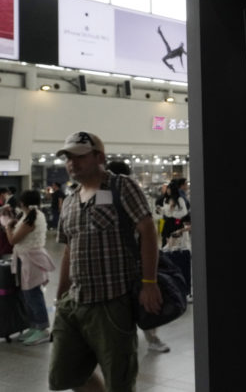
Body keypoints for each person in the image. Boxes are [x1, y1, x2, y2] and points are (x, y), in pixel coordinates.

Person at [48, 131, 162, 392]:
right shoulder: (70, 200)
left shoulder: (121, 187)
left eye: (79, 156)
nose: (72, 163)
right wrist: (60, 297)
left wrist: (149, 282)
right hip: (73, 302)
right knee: (65, 376)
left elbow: (147, 230)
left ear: (99, 157)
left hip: (111, 303)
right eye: (68, 158)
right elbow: (68, 251)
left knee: (119, 381)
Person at [107, 160, 171, 353]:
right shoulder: (113, 194)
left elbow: (147, 230)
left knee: (139, 301)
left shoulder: (123, 193)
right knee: (142, 303)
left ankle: (148, 338)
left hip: (125, 258)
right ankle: (151, 339)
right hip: (133, 257)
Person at [2, 190, 57, 345]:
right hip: (24, 258)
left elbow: (13, 240)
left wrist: (8, 226)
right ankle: (34, 325)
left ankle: (42, 329)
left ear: (22, 202)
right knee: (27, 295)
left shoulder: (33, 217)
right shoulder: (30, 215)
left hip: (31, 259)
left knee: (33, 294)